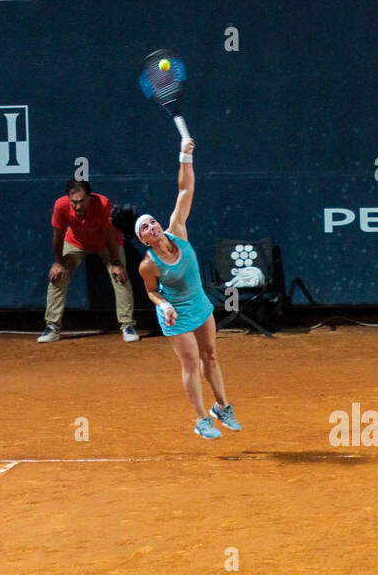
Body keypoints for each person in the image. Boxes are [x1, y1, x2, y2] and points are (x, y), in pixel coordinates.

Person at [135, 137, 241, 440]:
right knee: (192, 363)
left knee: (211, 357)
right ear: (143, 239)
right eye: (145, 228)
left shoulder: (177, 229)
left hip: (199, 304)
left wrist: (184, 155)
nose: (152, 226)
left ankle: (222, 407)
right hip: (175, 313)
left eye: (152, 221)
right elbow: (151, 292)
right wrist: (164, 305)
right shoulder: (148, 264)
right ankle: (200, 419)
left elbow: (186, 190)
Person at [41, 180, 137, 343]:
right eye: (74, 202)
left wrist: (116, 263)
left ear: (89, 198)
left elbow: (110, 234)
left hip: (105, 244)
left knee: (120, 276)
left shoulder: (103, 203)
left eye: (81, 201)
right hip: (75, 243)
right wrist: (59, 262)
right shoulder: (61, 206)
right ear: (68, 199)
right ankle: (52, 326)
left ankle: (127, 325)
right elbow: (57, 235)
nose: (77, 206)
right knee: (58, 277)